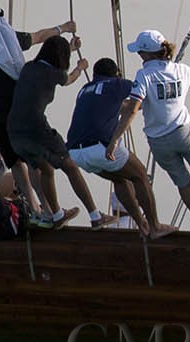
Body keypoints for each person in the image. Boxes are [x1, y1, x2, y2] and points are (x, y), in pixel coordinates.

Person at [109, 29, 190, 237]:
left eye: (140, 53)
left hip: (159, 141)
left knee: (184, 185)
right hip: (185, 133)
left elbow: (135, 107)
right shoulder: (182, 70)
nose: (139, 56)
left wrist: (115, 138)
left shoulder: (144, 75)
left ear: (147, 54)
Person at [0, 4, 77, 221]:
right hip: (16, 115)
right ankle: (50, 211)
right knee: (33, 162)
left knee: (14, 161)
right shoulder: (11, 38)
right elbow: (40, 36)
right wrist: (64, 28)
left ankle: (35, 210)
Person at [9, 35, 114, 228]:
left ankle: (56, 215)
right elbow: (69, 79)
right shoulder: (52, 73)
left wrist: (70, 49)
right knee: (70, 167)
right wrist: (80, 67)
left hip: (15, 133)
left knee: (46, 169)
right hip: (37, 129)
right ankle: (95, 215)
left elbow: (53, 60)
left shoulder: (29, 67)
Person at [66, 58, 166, 237]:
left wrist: (138, 106)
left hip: (74, 153)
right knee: (140, 174)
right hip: (99, 147)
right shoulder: (116, 84)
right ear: (116, 74)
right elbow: (143, 90)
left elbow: (118, 107)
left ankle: (142, 225)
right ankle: (155, 226)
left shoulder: (85, 90)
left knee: (120, 179)